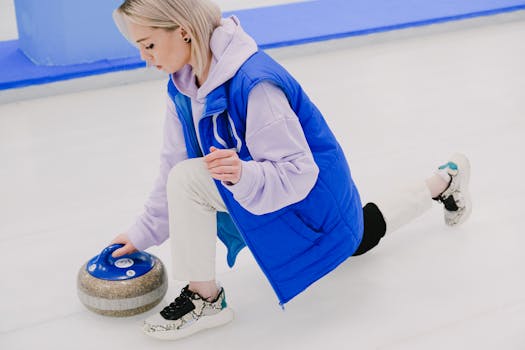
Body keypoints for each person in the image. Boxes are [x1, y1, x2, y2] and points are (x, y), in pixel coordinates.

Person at [110, 0, 472, 341]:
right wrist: (142, 233)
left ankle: (204, 300)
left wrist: (242, 175)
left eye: (149, 45)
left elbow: (298, 173)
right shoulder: (183, 88)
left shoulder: (255, 85)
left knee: (353, 236)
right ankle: (444, 181)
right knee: (357, 236)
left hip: (307, 196)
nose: (144, 58)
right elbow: (171, 165)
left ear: (184, 32)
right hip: (266, 194)